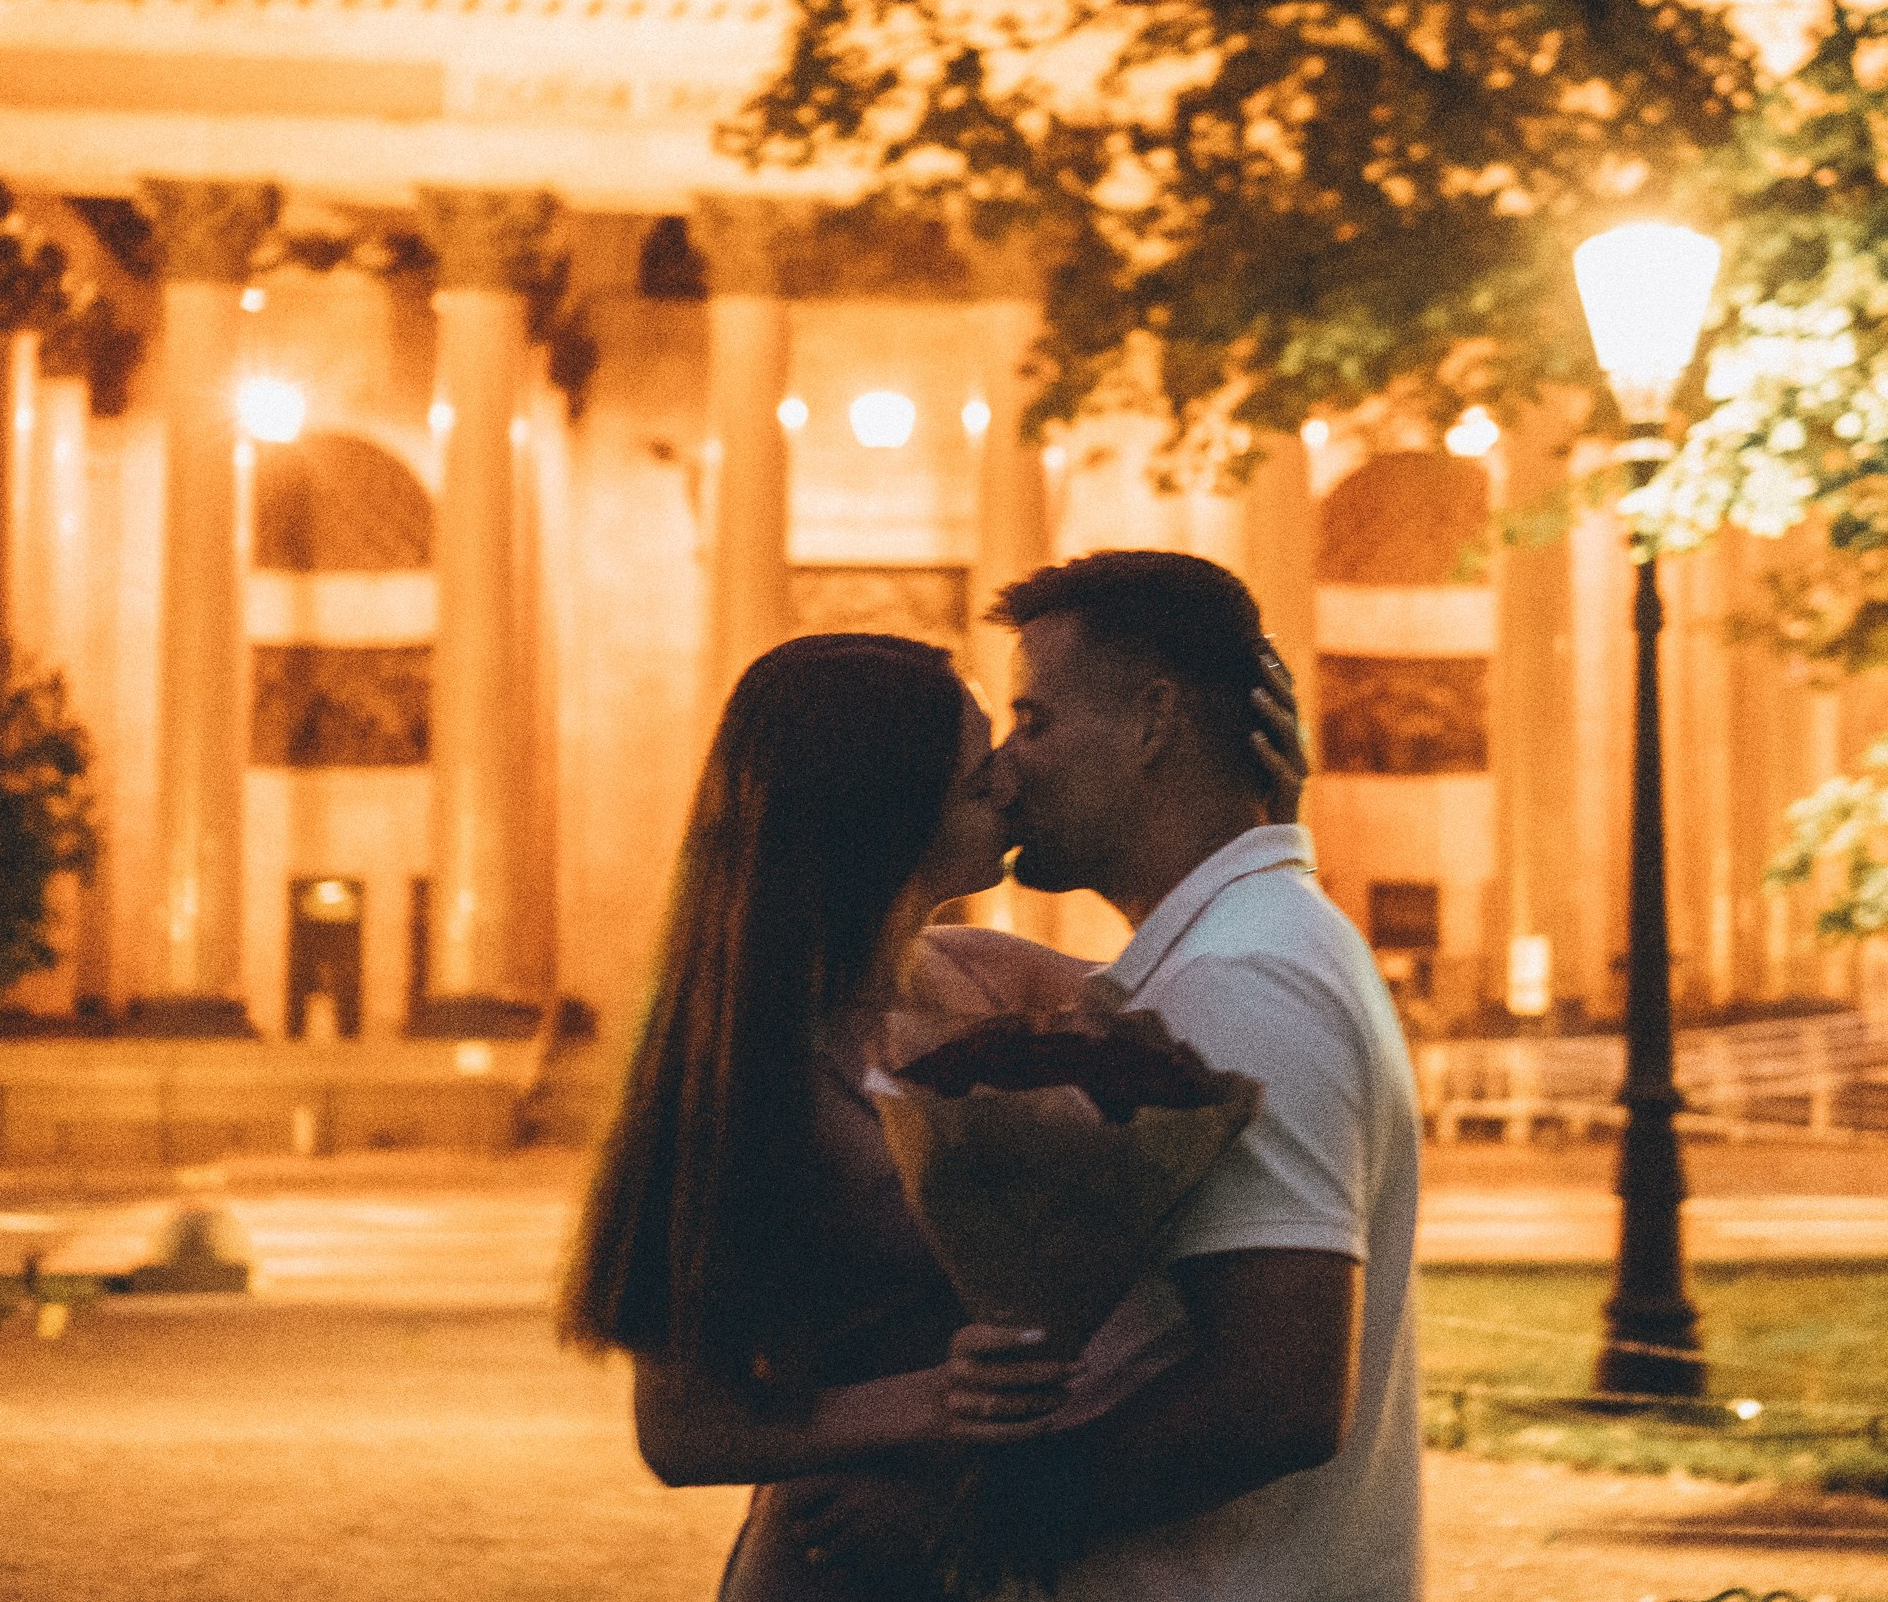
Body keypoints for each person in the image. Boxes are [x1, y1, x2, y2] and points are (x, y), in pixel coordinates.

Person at [559, 634, 1094, 1602]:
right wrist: (939, 1404)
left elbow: (1224, 992)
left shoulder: (993, 976)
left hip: (998, 1543)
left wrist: (1261, 817)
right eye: (978, 781)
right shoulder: (750, 1070)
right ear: (881, 814)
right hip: (838, 1561)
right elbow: (682, 1432)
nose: (1011, 786)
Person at [987, 551, 1425, 1602]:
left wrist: (967, 1515)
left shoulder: (1242, 977)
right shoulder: (1251, 947)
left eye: (1035, 720)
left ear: (1153, 721)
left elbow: (1272, 1398)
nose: (1008, 765)